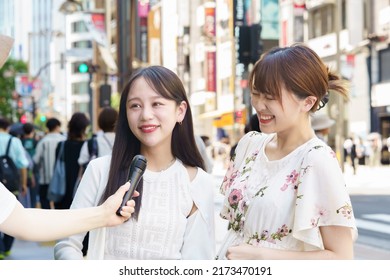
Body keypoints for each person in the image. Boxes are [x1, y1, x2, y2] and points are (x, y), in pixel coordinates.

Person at [55, 66, 215, 260]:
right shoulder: (101, 170)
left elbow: (197, 261)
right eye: (135, 106)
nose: (146, 115)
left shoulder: (198, 182)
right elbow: (67, 243)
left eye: (157, 104)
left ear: (180, 111)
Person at [217, 44, 357, 260]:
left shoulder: (316, 159)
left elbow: (342, 258)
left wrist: (263, 257)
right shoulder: (249, 144)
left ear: (308, 102)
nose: (259, 105)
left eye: (270, 97)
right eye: (256, 94)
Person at [0, 117, 30, 258]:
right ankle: (6, 248)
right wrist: (23, 183)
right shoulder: (14, 141)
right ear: (8, 128)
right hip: (11, 184)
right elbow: (23, 165)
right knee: (11, 213)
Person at [33, 118, 66, 209]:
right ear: (57, 127)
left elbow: (36, 160)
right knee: (61, 205)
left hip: (45, 179)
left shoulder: (43, 142)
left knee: (44, 203)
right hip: (61, 179)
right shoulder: (64, 140)